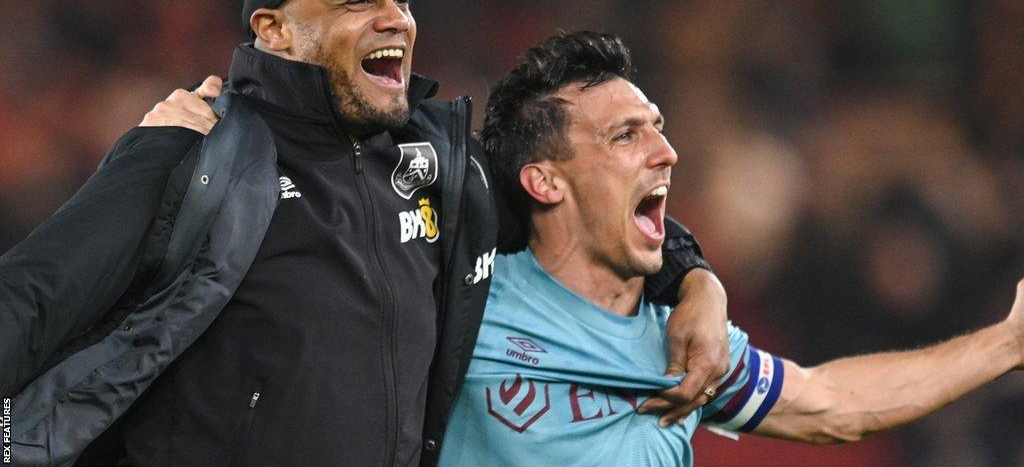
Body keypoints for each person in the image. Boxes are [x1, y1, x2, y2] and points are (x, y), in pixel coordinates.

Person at [0, 0, 728, 467]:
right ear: (274, 29)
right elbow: (31, 297)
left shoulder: (444, 169)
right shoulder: (195, 153)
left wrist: (694, 282)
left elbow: (584, 204)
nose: (396, 20)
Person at [437, 30, 1024, 466]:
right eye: (625, 135)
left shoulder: (688, 340)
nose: (666, 152)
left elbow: (829, 404)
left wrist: (1007, 343)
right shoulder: (464, 301)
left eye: (658, 127)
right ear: (544, 181)